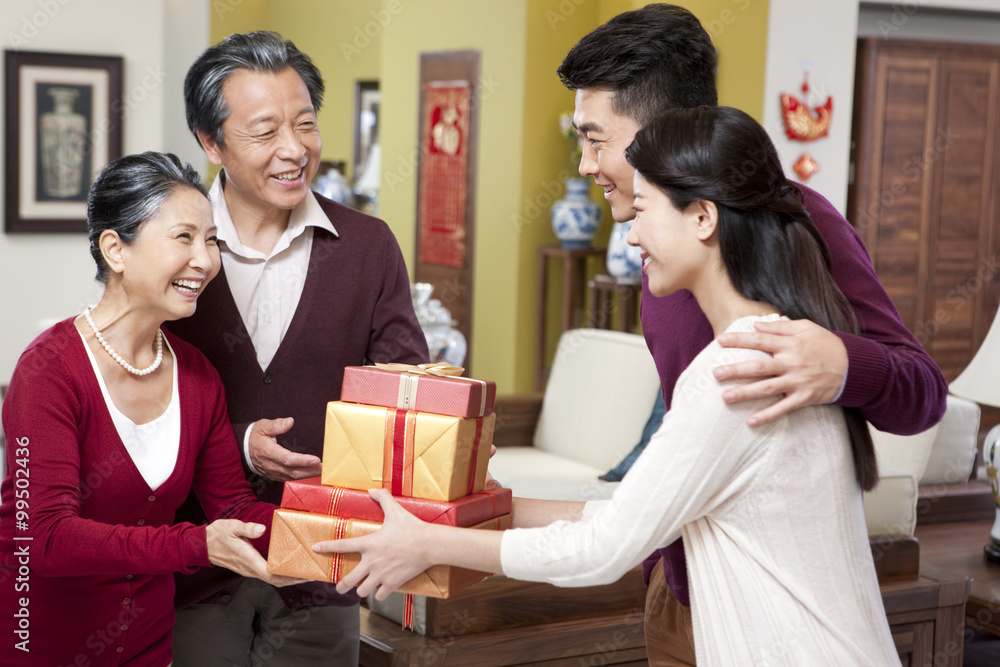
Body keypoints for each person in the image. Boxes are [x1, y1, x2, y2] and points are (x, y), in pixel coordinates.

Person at [315, 106, 901, 666]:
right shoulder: (775, 347)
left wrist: (430, 545)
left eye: (643, 209)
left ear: (703, 217)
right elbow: (635, 511)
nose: (631, 236)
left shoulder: (737, 369)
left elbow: (603, 549)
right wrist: (484, 509)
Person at [554, 5, 947, 663]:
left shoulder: (796, 221)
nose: (588, 164)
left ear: (661, 135)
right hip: (678, 595)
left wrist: (842, 363)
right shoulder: (656, 248)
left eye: (597, 140)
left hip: (774, 613)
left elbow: (923, 391)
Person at [166, 31, 429, 666]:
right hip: (194, 565)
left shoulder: (367, 246)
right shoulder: (169, 247)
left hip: (326, 568)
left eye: (305, 124)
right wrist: (238, 440)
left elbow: (407, 391)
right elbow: (130, 400)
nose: (294, 149)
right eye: (264, 132)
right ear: (210, 142)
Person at [0, 152, 297, 667]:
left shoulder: (198, 374)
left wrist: (336, 530)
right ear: (115, 249)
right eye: (183, 238)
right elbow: (43, 537)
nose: (204, 261)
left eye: (210, 240)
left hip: (148, 646)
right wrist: (196, 546)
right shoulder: (47, 371)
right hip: (41, 644)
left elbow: (233, 509)